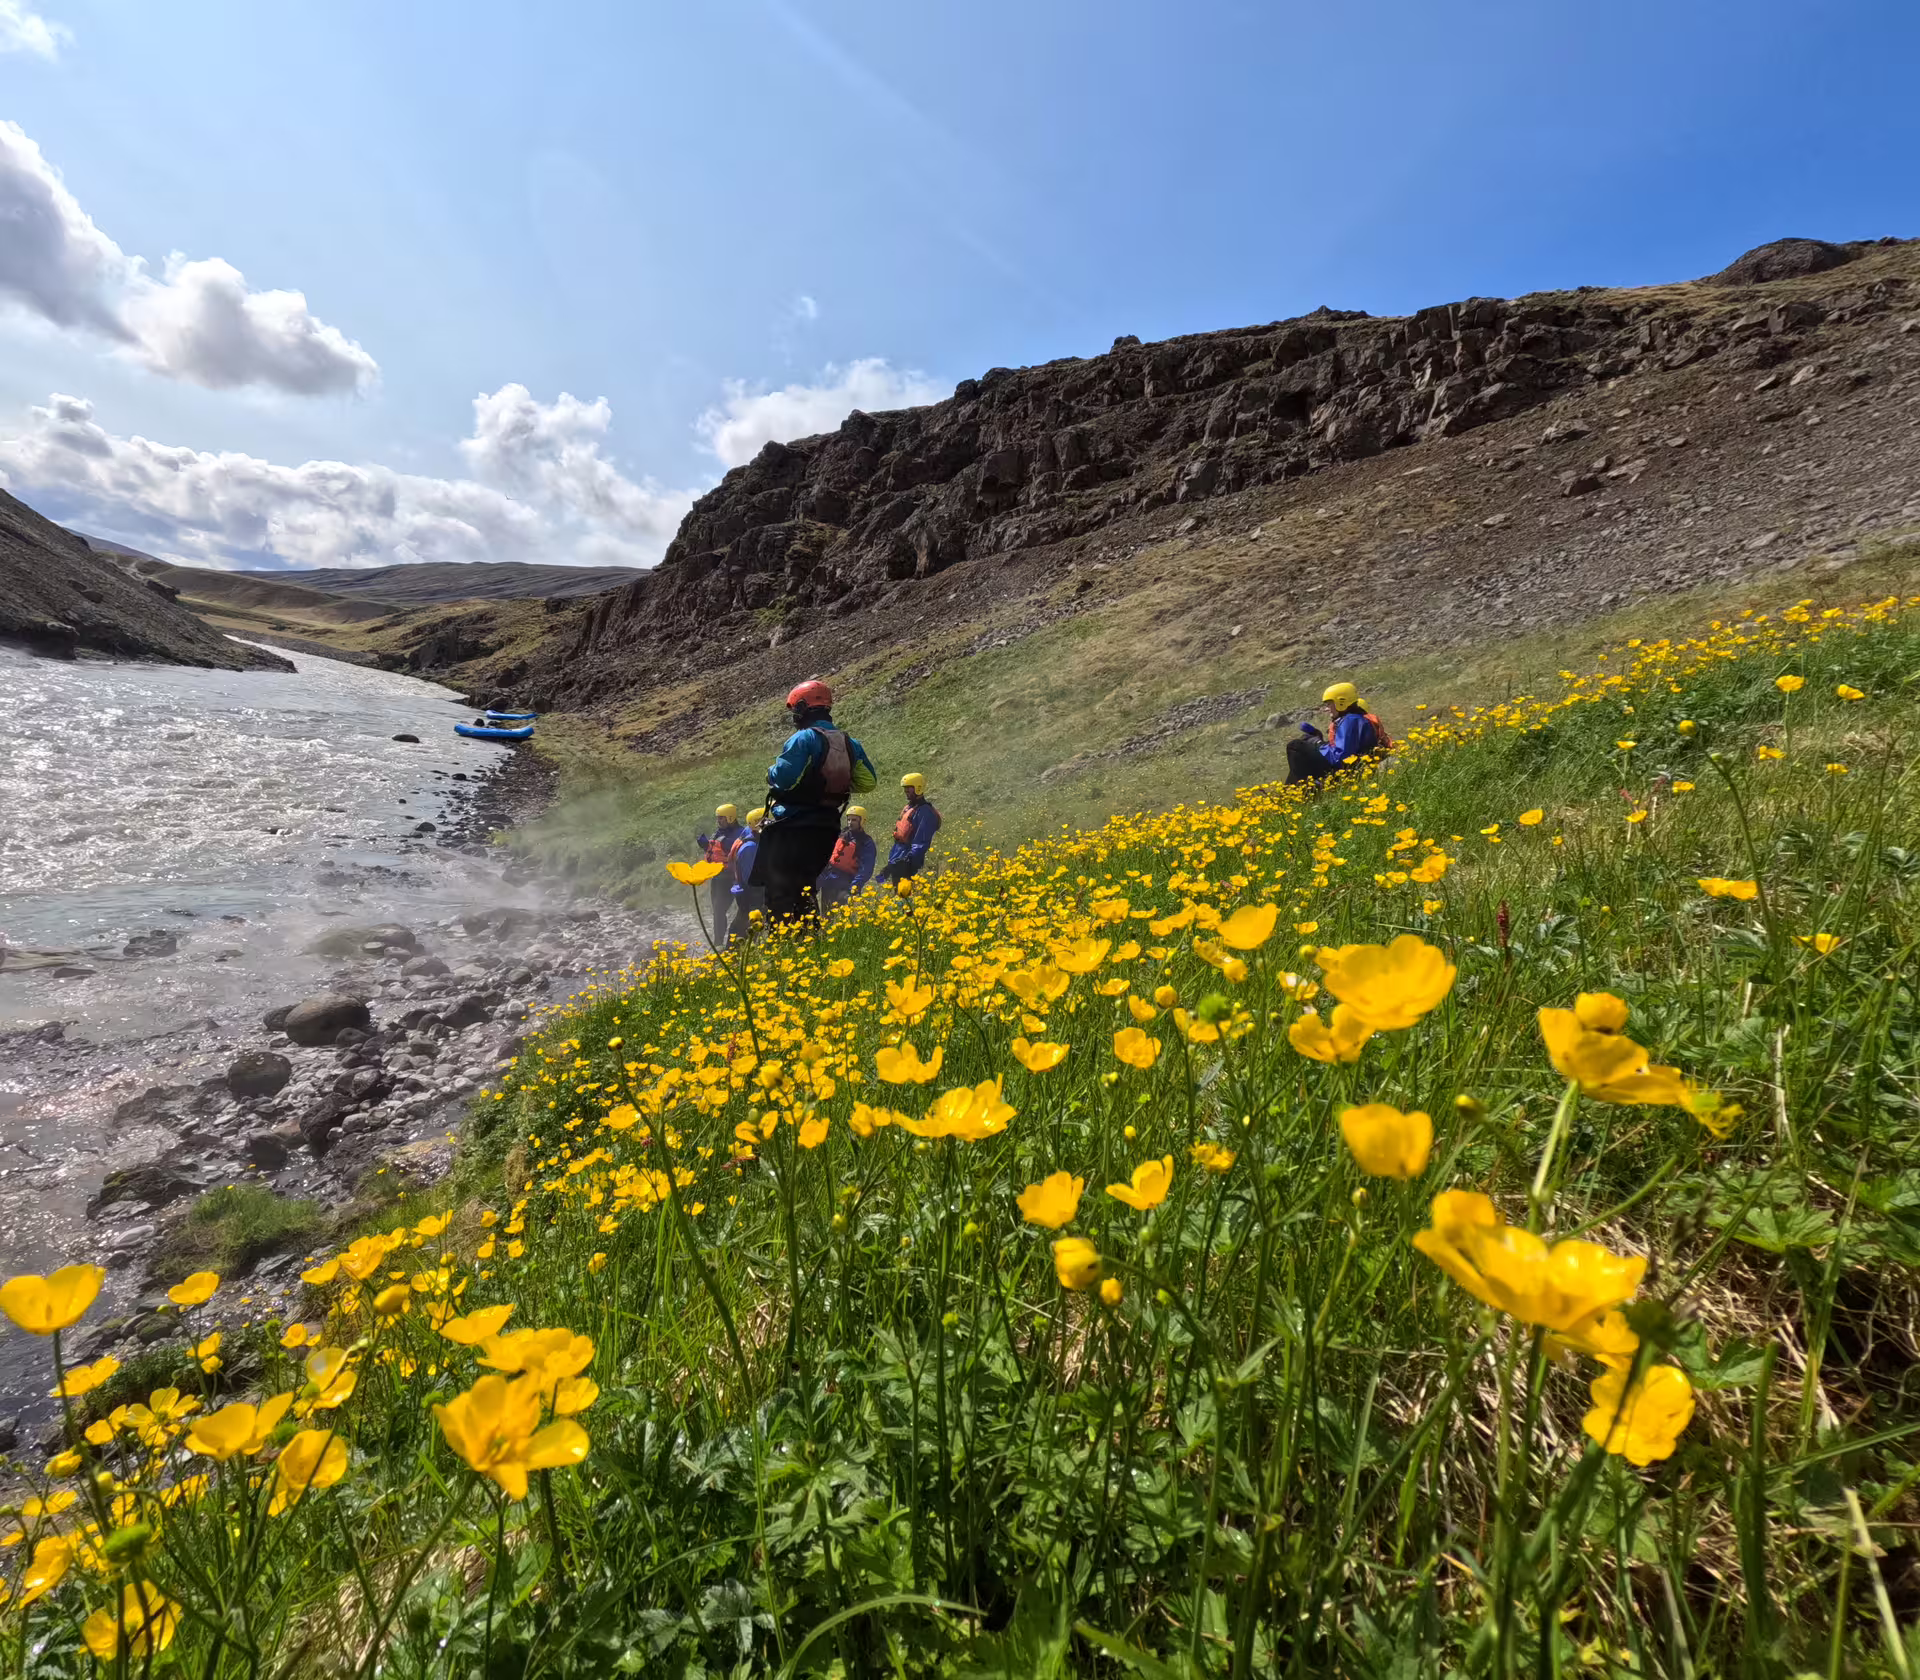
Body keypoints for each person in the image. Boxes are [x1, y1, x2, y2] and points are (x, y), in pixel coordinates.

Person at [751, 680, 878, 924]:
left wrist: (771, 773)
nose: (794, 715)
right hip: (827, 828)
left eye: (795, 709)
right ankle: (809, 942)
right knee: (806, 888)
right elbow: (868, 782)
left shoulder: (803, 739)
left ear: (803, 707)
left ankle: (784, 947)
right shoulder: (850, 743)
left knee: (781, 894)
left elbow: (784, 779)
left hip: (792, 827)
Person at [1285, 682, 1389, 785]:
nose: (1327, 708)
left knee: (1295, 746)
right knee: (1304, 750)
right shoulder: (1354, 719)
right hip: (1351, 769)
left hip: (1348, 771)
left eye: (1329, 704)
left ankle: (1305, 790)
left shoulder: (1351, 720)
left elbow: (1340, 757)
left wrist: (1318, 743)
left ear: (1341, 702)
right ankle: (1293, 790)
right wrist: (1319, 740)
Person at [695, 803, 749, 944]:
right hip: (719, 879)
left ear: (731, 818)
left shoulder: (741, 832)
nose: (719, 821)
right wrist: (706, 846)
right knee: (718, 912)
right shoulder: (719, 832)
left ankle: (742, 940)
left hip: (735, 878)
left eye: (722, 818)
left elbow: (737, 850)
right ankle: (718, 942)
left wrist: (724, 843)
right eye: (718, 818)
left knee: (744, 909)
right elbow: (717, 851)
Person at [875, 772, 941, 886]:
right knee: (888, 889)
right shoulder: (909, 808)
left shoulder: (925, 812)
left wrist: (907, 862)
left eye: (908, 788)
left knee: (903, 898)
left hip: (907, 864)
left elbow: (921, 844)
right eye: (904, 788)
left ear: (918, 788)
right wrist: (890, 866)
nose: (905, 791)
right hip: (897, 859)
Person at [816, 806, 876, 912]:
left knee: (842, 918)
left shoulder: (866, 842)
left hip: (845, 884)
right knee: (826, 917)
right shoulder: (840, 835)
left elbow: (866, 869)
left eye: (854, 820)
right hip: (828, 881)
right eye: (848, 819)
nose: (850, 822)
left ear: (862, 821)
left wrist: (854, 887)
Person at [725, 808, 767, 947]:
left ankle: (732, 951)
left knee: (741, 924)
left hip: (748, 891)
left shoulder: (749, 833)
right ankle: (734, 954)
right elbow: (753, 879)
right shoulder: (750, 848)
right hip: (751, 894)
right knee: (747, 927)